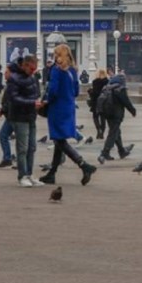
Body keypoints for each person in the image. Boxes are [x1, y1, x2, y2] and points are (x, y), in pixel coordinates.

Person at [38, 44, 96, 186]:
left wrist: (46, 101)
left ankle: (84, 165)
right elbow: (76, 91)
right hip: (69, 107)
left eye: (55, 54)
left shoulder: (56, 70)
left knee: (59, 141)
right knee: (59, 140)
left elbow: (53, 90)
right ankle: (52, 173)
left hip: (57, 108)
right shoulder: (72, 70)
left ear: (59, 55)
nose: (54, 56)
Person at [7, 54, 43, 187]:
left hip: (30, 115)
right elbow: (13, 98)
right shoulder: (14, 78)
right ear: (25, 65)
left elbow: (35, 93)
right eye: (32, 69)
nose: (33, 71)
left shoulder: (31, 77)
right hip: (19, 116)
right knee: (22, 148)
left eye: (35, 69)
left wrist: (38, 101)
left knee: (32, 147)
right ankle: (22, 175)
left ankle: (29, 173)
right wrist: (32, 103)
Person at [99, 72, 136, 161]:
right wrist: (132, 110)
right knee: (113, 133)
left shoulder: (107, 87)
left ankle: (122, 151)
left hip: (107, 113)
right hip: (116, 114)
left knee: (116, 132)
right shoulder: (120, 89)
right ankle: (105, 152)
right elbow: (126, 101)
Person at [88, 68, 109, 140]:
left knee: (95, 117)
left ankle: (98, 129)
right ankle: (102, 133)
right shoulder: (107, 81)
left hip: (96, 102)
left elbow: (95, 93)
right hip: (104, 102)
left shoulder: (95, 82)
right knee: (103, 118)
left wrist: (90, 91)